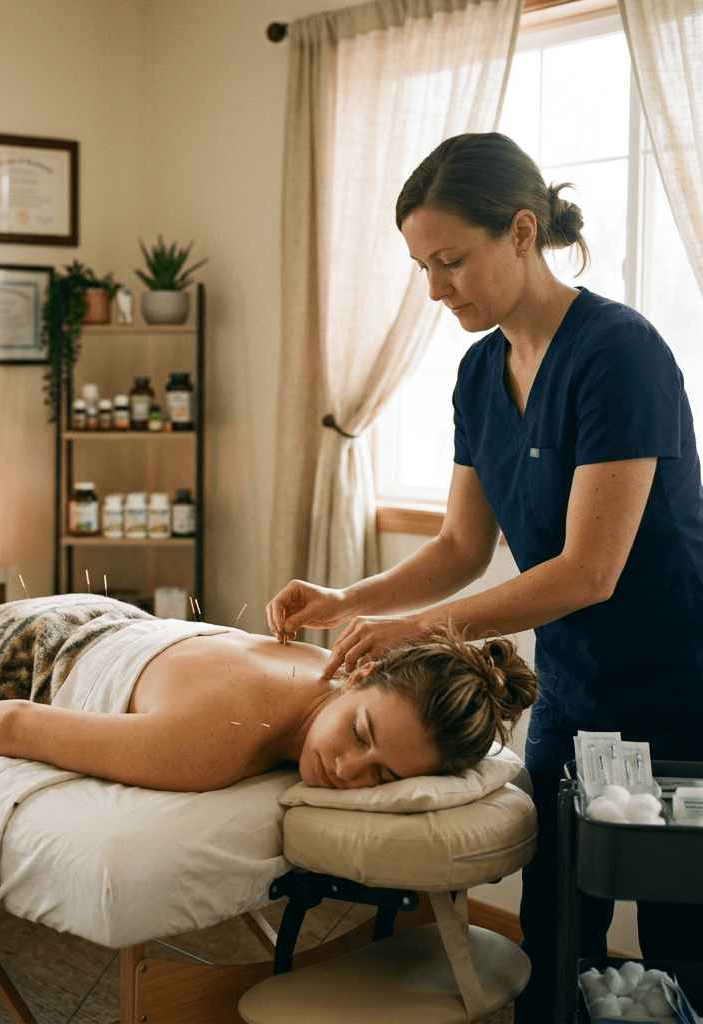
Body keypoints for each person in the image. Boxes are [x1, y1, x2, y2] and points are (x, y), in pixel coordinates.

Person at [267, 132, 703, 1021]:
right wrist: (345, 599)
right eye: (424, 267)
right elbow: (461, 547)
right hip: (575, 688)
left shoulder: (619, 353)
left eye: (451, 261)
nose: (436, 289)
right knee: (554, 923)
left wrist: (421, 630)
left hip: (678, 684)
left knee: (676, 940)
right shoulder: (478, 372)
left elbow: (589, 570)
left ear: (520, 230)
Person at [0, 613, 535, 793]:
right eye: (360, 735)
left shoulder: (317, 671)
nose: (349, 770)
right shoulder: (213, 743)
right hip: (32, 645)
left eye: (383, 776)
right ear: (358, 674)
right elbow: (18, 721)